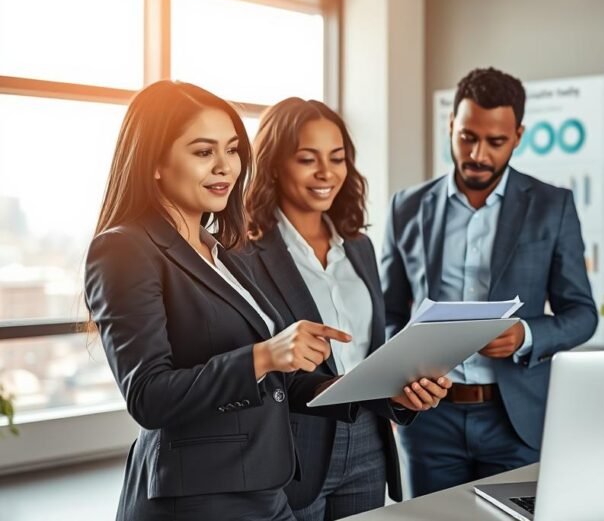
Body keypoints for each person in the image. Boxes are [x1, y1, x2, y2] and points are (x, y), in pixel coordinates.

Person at [83, 81, 437, 520]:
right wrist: (265, 355)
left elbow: (274, 386)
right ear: (154, 161)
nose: (224, 167)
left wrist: (387, 392)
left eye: (232, 150)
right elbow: (148, 396)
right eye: (202, 152)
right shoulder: (125, 248)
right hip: (196, 498)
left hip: (262, 489)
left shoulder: (220, 251)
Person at [380, 67, 599, 496]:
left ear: (518, 135)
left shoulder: (552, 207)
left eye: (495, 142)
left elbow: (583, 314)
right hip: (429, 420)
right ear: (451, 125)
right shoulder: (405, 207)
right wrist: (398, 379)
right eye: (467, 137)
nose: (478, 153)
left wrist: (526, 334)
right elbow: (388, 311)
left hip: (515, 419)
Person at [241, 97, 450, 519]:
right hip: (292, 450)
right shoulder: (245, 252)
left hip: (369, 441)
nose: (326, 173)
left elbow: (370, 352)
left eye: (337, 158)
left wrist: (406, 393)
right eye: (307, 159)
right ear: (275, 164)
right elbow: (248, 363)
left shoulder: (359, 246)